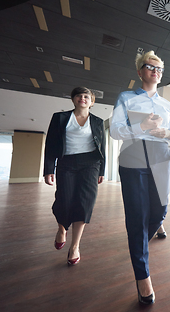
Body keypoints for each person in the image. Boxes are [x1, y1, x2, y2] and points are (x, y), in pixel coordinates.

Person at [110, 50, 170, 305]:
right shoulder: (126, 97)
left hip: (160, 155)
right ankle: (143, 276)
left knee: (160, 212)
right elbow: (115, 131)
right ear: (140, 72)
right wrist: (142, 127)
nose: (155, 72)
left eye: (159, 69)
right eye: (150, 67)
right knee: (137, 217)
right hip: (134, 154)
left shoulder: (167, 105)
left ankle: (137, 245)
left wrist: (165, 133)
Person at [43, 86, 105, 266]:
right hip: (67, 163)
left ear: (92, 102)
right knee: (65, 200)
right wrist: (49, 169)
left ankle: (75, 246)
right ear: (73, 99)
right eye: (79, 95)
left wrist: (102, 170)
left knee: (85, 203)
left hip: (91, 164)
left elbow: (102, 148)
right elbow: (51, 145)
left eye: (87, 96)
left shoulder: (98, 122)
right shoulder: (60, 118)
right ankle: (62, 229)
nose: (83, 98)